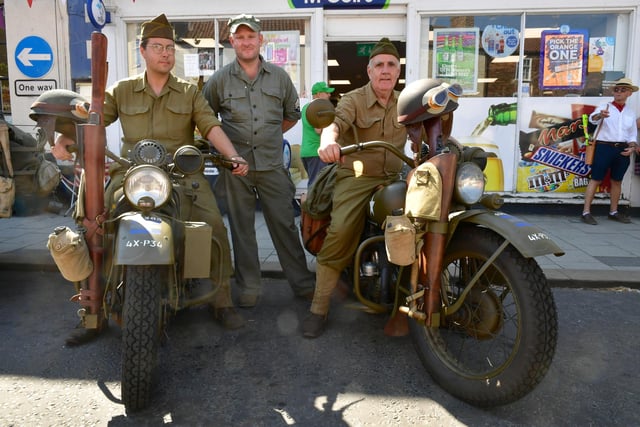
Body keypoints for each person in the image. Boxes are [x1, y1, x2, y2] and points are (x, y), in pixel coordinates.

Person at [51, 14, 248, 345]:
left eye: (170, 48)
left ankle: (221, 301)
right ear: (142, 51)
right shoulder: (123, 90)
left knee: (212, 224)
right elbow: (95, 118)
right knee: (95, 225)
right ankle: (92, 312)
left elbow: (210, 126)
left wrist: (234, 155)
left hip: (181, 175)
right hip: (133, 174)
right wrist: (65, 138)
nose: (166, 53)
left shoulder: (188, 92)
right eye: (158, 47)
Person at [202, 14, 315, 307]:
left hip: (272, 165)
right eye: (239, 37)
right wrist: (227, 151)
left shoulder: (279, 77)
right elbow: (205, 119)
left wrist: (268, 136)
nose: (246, 42)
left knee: (284, 225)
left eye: (250, 36)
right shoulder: (219, 80)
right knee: (241, 229)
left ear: (260, 39)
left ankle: (302, 284)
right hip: (235, 168)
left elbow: (292, 114)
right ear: (231, 41)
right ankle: (249, 287)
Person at [302, 37, 407, 338]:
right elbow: (335, 123)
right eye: (379, 65)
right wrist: (328, 140)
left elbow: (425, 129)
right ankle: (319, 307)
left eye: (391, 65)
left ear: (398, 70)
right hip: (357, 176)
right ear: (369, 70)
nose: (385, 70)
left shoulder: (406, 102)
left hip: (393, 178)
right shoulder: (353, 99)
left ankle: (409, 298)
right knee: (342, 228)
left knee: (423, 222)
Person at [581, 77, 639, 225]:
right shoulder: (604, 105)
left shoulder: (630, 113)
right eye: (617, 89)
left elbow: (632, 134)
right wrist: (600, 115)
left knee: (617, 181)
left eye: (623, 90)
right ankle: (586, 212)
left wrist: (632, 147)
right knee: (596, 179)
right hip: (604, 147)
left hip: (622, 149)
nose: (619, 92)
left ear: (629, 93)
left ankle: (613, 211)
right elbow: (593, 119)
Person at [301, 82, 334, 186]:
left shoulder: (306, 107)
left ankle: (311, 201)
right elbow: (318, 130)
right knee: (317, 186)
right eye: (326, 92)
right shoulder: (318, 108)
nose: (329, 95)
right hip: (316, 152)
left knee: (313, 183)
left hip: (306, 151)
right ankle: (312, 202)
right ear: (319, 94)